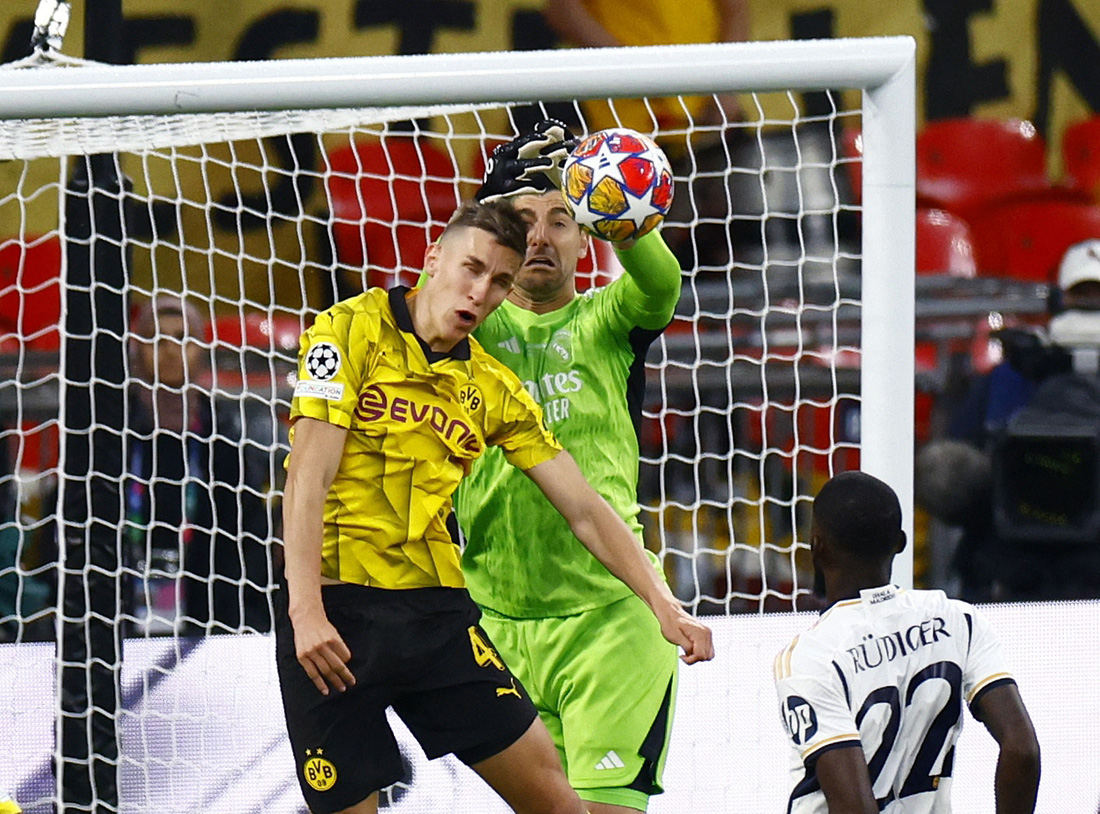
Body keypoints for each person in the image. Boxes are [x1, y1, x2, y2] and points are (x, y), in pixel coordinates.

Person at [278, 198, 713, 814]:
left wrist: (662, 603)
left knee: (560, 805)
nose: (481, 292)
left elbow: (585, 509)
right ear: (434, 257)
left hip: (436, 618)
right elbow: (308, 479)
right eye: (471, 269)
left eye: (499, 281)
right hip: (334, 616)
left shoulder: (492, 387)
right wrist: (306, 610)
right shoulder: (346, 331)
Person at [449, 121, 684, 814]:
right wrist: (486, 202)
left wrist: (616, 209)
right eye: (524, 223)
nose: (543, 237)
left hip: (609, 622)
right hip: (497, 624)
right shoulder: (475, 331)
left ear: (587, 237)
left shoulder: (610, 323)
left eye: (562, 219)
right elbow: (442, 284)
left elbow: (659, 275)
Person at [775, 471, 1040, 813]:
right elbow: (1022, 749)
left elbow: (854, 807)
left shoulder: (810, 656)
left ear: (817, 544)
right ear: (901, 543)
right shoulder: (958, 619)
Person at [917, 239, 1100, 600]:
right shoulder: (1006, 379)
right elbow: (948, 483)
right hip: (1009, 569)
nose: (1091, 310)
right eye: (1083, 297)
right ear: (1058, 302)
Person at [126, 295, 273, 634]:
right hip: (122, 625)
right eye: (156, 339)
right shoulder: (113, 434)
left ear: (200, 350)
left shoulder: (221, 435)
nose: (169, 350)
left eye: (182, 338)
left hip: (212, 624)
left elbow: (249, 536)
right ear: (137, 350)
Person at [542, 0, 750, 137]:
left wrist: (724, 89)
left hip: (703, 114)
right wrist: (630, 67)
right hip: (619, 112)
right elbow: (562, 11)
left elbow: (736, 10)